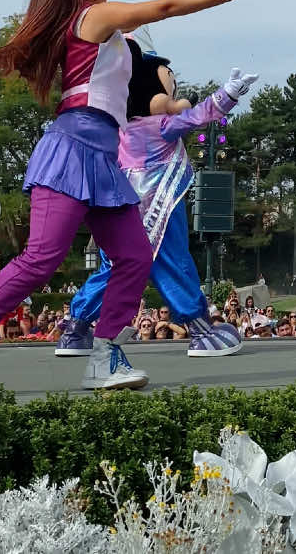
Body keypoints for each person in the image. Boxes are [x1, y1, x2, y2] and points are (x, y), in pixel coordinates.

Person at [0, 0, 272, 397]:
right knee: (42, 258)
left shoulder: (104, 29)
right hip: (72, 149)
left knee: (136, 256)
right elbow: (164, 7)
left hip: (104, 157)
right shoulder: (93, 15)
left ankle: (103, 358)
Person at [56, 41, 255, 359]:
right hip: (158, 204)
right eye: (167, 85)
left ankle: (76, 329)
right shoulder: (160, 126)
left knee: (114, 267)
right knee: (171, 262)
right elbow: (198, 116)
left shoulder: (118, 128)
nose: (173, 93)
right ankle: (201, 330)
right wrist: (228, 94)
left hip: (121, 206)